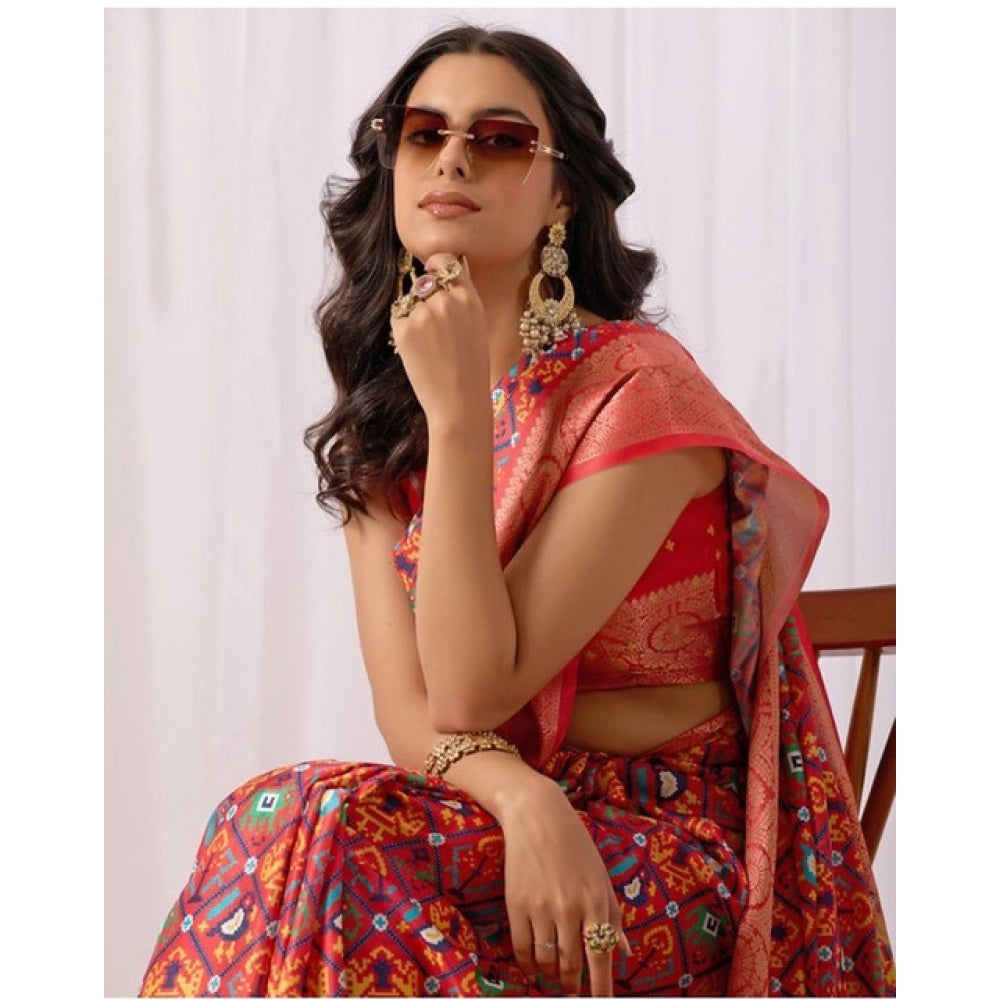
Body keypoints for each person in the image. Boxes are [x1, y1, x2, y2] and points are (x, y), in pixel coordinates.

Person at [138, 24, 895, 998]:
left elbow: (468, 694)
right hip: (499, 819)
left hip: (677, 849)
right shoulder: (386, 421)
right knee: (291, 826)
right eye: (423, 133)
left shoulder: (638, 396)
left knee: (321, 834)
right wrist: (525, 799)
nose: (452, 157)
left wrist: (458, 420)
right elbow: (411, 717)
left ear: (563, 194)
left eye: (499, 140)